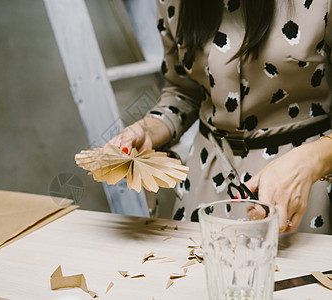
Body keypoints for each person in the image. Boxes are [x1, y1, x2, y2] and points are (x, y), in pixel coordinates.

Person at [108, 0, 332, 234]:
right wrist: (151, 128)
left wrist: (311, 162)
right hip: (205, 190)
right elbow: (183, 91)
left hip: (304, 188)